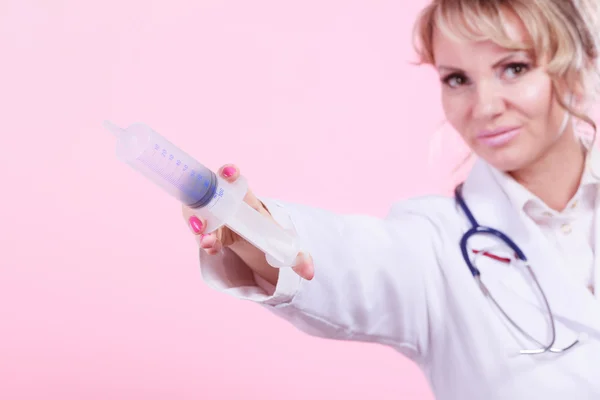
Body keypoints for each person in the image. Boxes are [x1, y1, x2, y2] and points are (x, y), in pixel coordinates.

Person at [181, 0, 600, 398]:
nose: (485, 106)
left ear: (581, 61)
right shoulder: (435, 246)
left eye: (514, 68)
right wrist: (253, 225)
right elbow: (350, 258)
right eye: (457, 79)